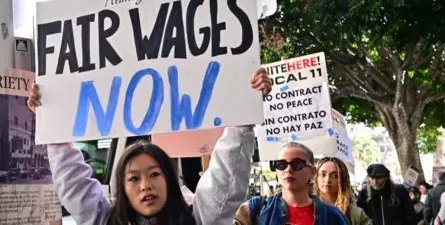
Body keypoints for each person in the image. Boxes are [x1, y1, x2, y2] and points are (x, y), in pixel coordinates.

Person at [27, 68, 272, 225]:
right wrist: (52, 121)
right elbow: (73, 184)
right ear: (121, 188)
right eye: (133, 179)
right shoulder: (104, 220)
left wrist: (244, 108)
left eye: (155, 174)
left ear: (170, 179)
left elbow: (225, 178)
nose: (146, 186)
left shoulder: (198, 220)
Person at [233, 142, 350, 224]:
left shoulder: (333, 216)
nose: (288, 170)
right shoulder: (254, 210)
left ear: (312, 172)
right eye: (281, 165)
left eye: (297, 164)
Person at [314, 157, 372, 225]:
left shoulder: (356, 214)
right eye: (323, 175)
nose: (327, 180)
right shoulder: (305, 209)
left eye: (335, 176)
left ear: (343, 180)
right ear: (316, 177)